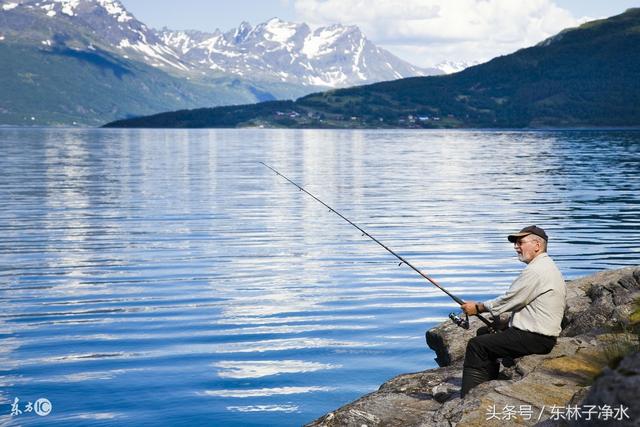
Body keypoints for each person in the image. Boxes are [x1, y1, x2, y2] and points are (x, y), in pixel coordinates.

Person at [459, 225, 566, 398]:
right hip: (536, 335)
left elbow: (510, 299)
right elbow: (526, 303)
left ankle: (469, 398)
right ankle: (486, 386)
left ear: (537, 245)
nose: (516, 247)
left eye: (520, 242)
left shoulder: (537, 271)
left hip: (537, 339)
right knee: (484, 333)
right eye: (516, 243)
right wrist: (506, 322)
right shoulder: (545, 266)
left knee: (476, 346)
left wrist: (478, 308)